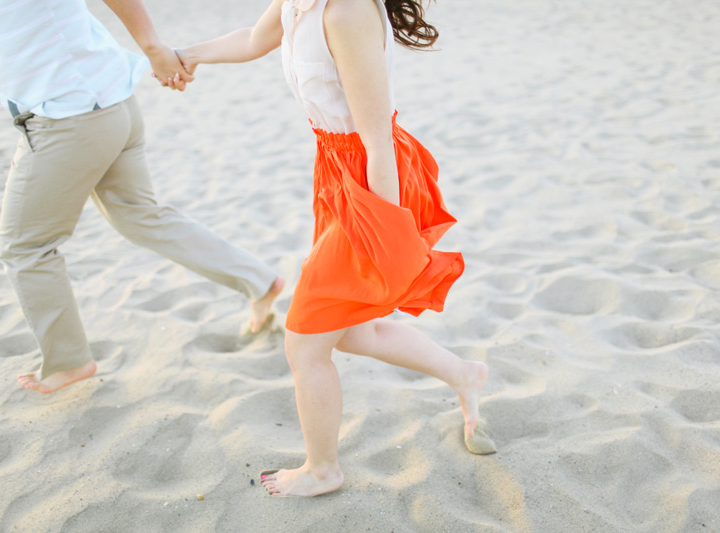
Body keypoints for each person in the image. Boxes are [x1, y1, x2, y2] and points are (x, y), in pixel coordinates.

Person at [176, 0, 496, 497]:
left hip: (371, 179)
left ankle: (322, 470)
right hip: (334, 169)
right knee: (350, 330)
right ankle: (464, 374)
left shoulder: (346, 13)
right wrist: (186, 55)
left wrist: (386, 227)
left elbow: (376, 140)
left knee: (305, 339)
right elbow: (252, 39)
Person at [0, 0, 284, 394]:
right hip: (109, 103)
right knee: (138, 215)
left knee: (25, 247)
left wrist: (155, 50)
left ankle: (68, 361)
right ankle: (258, 280)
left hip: (67, 118)